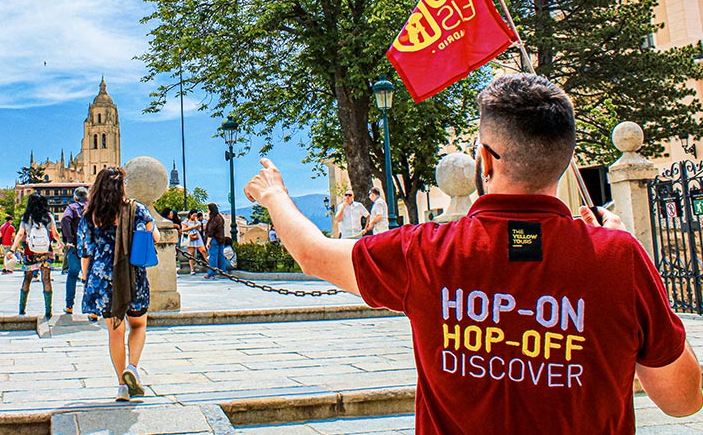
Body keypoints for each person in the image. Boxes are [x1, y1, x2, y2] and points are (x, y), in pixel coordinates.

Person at [244, 73, 702, 433]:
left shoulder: (426, 250)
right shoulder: (619, 257)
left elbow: (313, 254)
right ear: (565, 160)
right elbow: (683, 400)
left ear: (483, 161)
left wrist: (276, 195)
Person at [78, 166, 159, 402]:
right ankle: (132, 368)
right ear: (121, 186)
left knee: (115, 333)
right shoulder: (136, 209)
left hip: (102, 279)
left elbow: (85, 252)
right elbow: (154, 238)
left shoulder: (90, 214)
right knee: (138, 325)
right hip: (132, 276)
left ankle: (122, 386)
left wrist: (87, 278)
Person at [11, 193, 59, 319]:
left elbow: (20, 234)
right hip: (46, 252)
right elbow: (55, 233)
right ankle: (48, 310)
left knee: (27, 279)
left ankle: (22, 308)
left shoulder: (26, 217)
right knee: (46, 279)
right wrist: (61, 244)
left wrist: (12, 249)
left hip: (30, 252)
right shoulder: (48, 216)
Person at [60, 186, 89, 314]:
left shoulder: (71, 208)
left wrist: (69, 239)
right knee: (91, 275)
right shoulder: (94, 207)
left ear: (75, 197)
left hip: (76, 246)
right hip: (92, 246)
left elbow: (65, 219)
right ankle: (92, 309)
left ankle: (69, 305)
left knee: (72, 274)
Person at [203, 202, 227, 279]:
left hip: (214, 239)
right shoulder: (220, 217)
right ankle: (223, 272)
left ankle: (211, 272)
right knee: (221, 256)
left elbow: (211, 231)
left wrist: (208, 242)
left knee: (213, 256)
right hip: (221, 239)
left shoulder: (213, 219)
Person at [183, 209, 206, 274]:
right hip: (190, 236)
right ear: (190, 215)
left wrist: (197, 226)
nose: (194, 217)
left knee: (203, 250)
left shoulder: (197, 222)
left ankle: (208, 264)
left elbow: (200, 229)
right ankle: (192, 268)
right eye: (193, 215)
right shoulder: (186, 222)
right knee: (191, 253)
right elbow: (183, 229)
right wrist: (192, 227)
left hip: (197, 236)